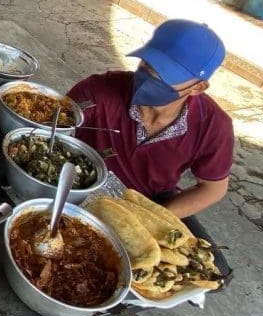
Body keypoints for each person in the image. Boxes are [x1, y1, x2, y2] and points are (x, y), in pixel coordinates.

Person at [66, 20, 233, 218]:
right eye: (147, 64)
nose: (149, 76)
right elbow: (50, 122)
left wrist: (152, 218)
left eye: (165, 74)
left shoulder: (214, 126)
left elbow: (213, 189)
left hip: (146, 202)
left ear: (198, 87)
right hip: (78, 184)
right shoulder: (98, 91)